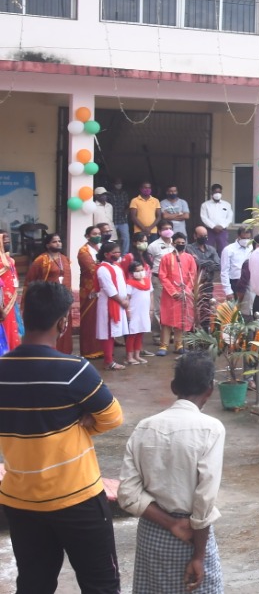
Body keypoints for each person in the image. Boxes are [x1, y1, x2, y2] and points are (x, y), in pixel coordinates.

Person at [0, 281, 124, 592]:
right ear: (62, 322)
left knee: (33, 584)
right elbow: (112, 416)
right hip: (78, 498)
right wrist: (81, 424)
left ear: (24, 315)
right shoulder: (74, 369)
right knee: (101, 585)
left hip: (20, 500)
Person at [118, 352, 226, 594]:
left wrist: (170, 524)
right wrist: (198, 555)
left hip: (153, 533)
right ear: (210, 389)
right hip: (193, 536)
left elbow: (127, 493)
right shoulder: (211, 429)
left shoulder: (144, 426)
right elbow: (205, 498)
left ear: (173, 386)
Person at [25, 233, 71, 352]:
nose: (58, 243)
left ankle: (64, 353)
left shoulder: (64, 259)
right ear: (47, 245)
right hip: (48, 299)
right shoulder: (41, 260)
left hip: (63, 298)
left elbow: (68, 280)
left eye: (59, 241)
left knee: (64, 325)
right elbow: (30, 280)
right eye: (54, 241)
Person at [158, 232, 198, 356]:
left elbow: (193, 275)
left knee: (181, 319)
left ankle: (179, 344)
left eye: (183, 243)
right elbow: (162, 276)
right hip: (170, 294)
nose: (180, 245)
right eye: (178, 243)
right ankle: (164, 345)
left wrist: (185, 291)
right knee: (167, 319)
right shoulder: (166, 258)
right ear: (172, 243)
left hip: (184, 294)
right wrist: (173, 291)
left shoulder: (189, 258)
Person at [95, 240, 130, 371]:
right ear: (106, 254)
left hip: (119, 302)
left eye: (119, 252)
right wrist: (122, 301)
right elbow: (109, 289)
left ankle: (110, 359)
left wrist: (125, 298)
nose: (118, 254)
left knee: (112, 332)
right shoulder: (103, 268)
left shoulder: (116, 266)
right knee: (108, 332)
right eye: (115, 252)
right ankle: (108, 361)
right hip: (109, 304)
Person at [76, 225, 104, 358]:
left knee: (101, 319)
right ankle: (89, 350)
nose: (97, 236)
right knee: (90, 320)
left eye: (99, 233)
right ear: (87, 236)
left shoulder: (100, 248)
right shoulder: (83, 251)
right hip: (89, 290)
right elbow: (92, 268)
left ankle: (102, 348)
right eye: (94, 234)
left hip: (102, 289)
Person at [190, 226, 221, 329]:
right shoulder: (189, 248)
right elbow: (194, 263)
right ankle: (192, 336)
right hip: (193, 284)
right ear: (195, 236)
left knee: (205, 309)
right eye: (201, 236)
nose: (203, 237)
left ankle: (205, 334)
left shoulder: (211, 249)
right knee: (192, 310)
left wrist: (201, 262)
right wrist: (209, 262)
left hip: (208, 283)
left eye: (205, 236)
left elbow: (218, 265)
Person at [123, 257, 153, 366]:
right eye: (137, 271)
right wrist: (128, 311)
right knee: (132, 334)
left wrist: (151, 309)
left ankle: (137, 355)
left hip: (144, 311)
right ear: (131, 273)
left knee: (141, 333)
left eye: (141, 270)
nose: (140, 272)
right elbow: (127, 298)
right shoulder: (129, 283)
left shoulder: (148, 282)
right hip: (134, 311)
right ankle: (129, 357)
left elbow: (151, 295)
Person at [221, 226, 254, 304]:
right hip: (235, 283)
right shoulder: (229, 250)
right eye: (244, 238)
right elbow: (224, 271)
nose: (246, 240)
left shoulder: (252, 248)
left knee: (248, 309)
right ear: (238, 236)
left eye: (248, 238)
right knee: (235, 309)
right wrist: (228, 291)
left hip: (249, 283)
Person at [200, 184, 234, 256]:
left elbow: (229, 217)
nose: (217, 194)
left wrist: (222, 226)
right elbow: (204, 217)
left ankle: (222, 266)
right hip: (209, 231)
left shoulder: (227, 204)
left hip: (222, 231)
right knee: (208, 249)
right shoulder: (205, 205)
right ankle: (209, 265)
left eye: (219, 192)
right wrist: (213, 227)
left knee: (223, 249)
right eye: (215, 192)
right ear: (211, 192)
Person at [107, 177, 131, 243]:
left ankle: (124, 252)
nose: (119, 185)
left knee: (126, 238)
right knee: (111, 237)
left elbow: (128, 205)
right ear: (113, 184)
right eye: (117, 183)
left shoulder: (124, 193)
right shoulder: (110, 194)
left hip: (123, 220)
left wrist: (127, 211)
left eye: (120, 183)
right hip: (113, 219)